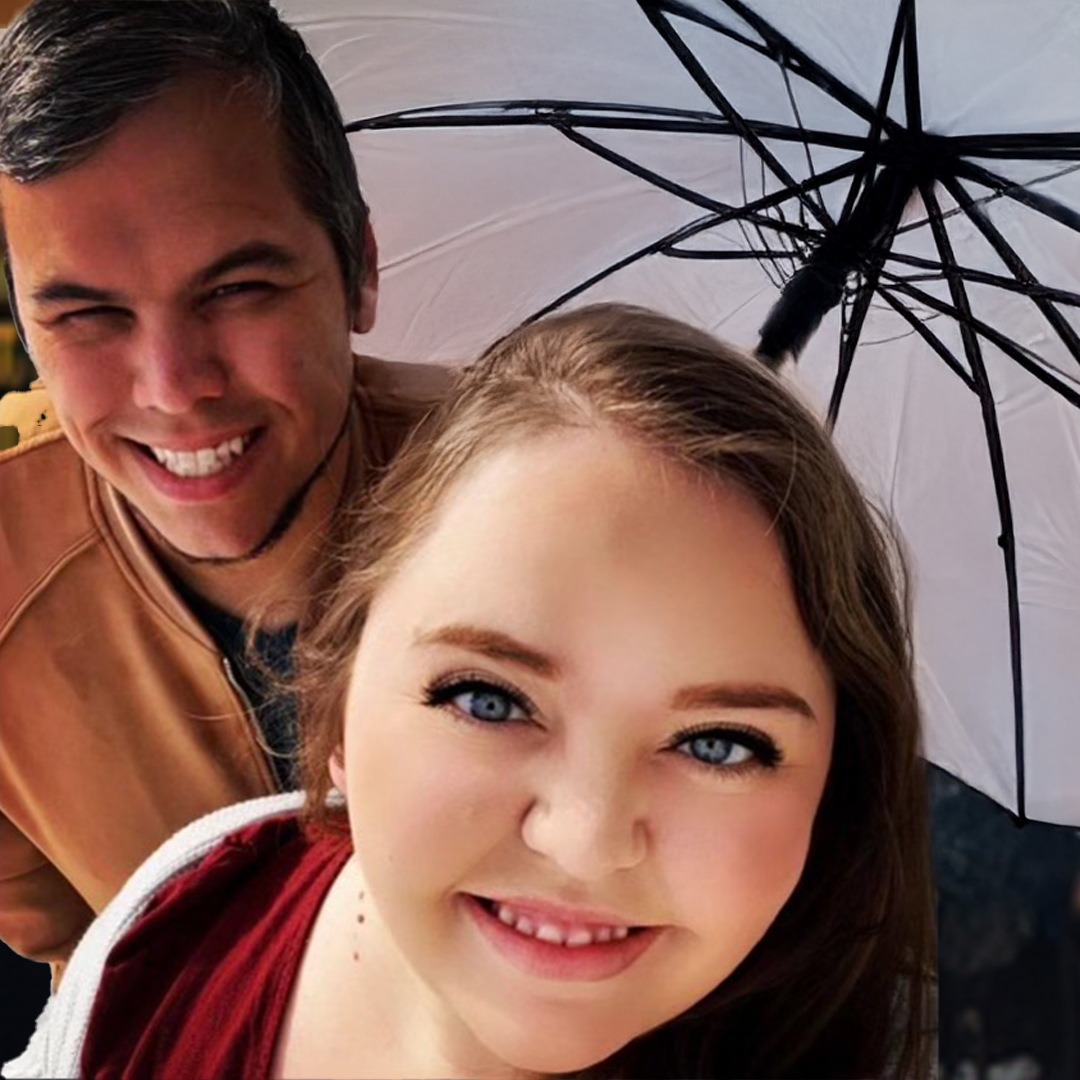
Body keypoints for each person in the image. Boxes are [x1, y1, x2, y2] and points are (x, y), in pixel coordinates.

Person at [6, 306, 937, 1080]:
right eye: (488, 698)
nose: (583, 840)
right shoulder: (194, 905)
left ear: (830, 789)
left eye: (719, 744)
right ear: (343, 682)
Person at [0, 0, 451, 976]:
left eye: (238, 290)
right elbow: (86, 968)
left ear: (359, 270)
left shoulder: (552, 503)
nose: (173, 389)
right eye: (85, 316)